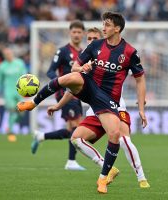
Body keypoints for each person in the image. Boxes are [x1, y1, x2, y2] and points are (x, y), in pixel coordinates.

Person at [17, 11, 147, 194]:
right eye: (103, 24)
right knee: (69, 77)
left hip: (108, 99)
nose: (104, 27)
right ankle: (33, 102)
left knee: (112, 134)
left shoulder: (130, 52)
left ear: (117, 28)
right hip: (90, 86)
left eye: (107, 25)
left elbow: (140, 80)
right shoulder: (95, 46)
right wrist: (82, 67)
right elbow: (75, 66)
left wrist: (141, 109)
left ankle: (103, 178)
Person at [31, 20, 86, 171]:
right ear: (70, 33)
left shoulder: (83, 54)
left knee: (71, 131)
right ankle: (71, 161)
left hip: (79, 94)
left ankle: (41, 136)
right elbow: (50, 71)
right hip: (64, 94)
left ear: (83, 34)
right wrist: (61, 83)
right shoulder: (62, 51)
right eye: (73, 32)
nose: (76, 34)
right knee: (76, 128)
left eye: (79, 32)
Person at [0, 47, 27, 142]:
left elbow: (25, 77)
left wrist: (26, 91)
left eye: (9, 53)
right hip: (8, 92)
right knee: (12, 109)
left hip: (19, 91)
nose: (7, 55)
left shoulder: (19, 63)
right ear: (4, 55)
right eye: (5, 54)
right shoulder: (2, 66)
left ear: (12, 53)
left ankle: (11, 124)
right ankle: (11, 131)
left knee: (21, 112)